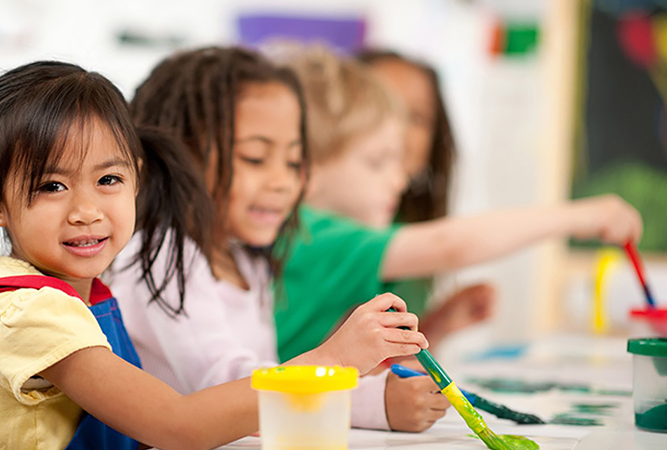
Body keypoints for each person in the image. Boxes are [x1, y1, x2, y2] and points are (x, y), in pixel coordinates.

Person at [0, 60, 427, 450]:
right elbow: (178, 424)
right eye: (52, 186)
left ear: (135, 181)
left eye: (107, 179)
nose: (86, 210)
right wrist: (331, 361)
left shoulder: (86, 292)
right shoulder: (30, 313)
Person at [109, 46, 449, 433]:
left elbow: (263, 381)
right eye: (255, 158)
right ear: (177, 155)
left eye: (292, 162)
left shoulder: (248, 261)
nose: (282, 182)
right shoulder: (163, 256)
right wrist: (364, 395)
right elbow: (226, 388)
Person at [273, 44, 643, 364]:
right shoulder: (311, 233)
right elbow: (448, 244)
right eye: (376, 161)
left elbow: (355, 367)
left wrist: (439, 325)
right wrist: (581, 215)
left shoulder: (328, 237)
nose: (399, 179)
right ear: (306, 168)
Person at [356, 48, 496, 346]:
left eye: (417, 117)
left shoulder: (405, 219)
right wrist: (583, 216)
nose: (399, 130)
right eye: (383, 107)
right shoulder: (319, 229)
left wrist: (437, 325)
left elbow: (378, 367)